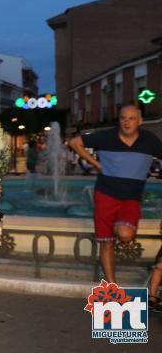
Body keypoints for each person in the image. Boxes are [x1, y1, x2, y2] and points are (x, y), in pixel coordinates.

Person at [69, 104, 162, 283]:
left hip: (131, 199)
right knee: (106, 242)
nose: (127, 122)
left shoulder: (150, 141)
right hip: (105, 195)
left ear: (140, 121)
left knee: (126, 234)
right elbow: (75, 143)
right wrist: (96, 164)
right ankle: (112, 286)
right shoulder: (105, 136)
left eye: (132, 118)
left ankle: (115, 227)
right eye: (123, 118)